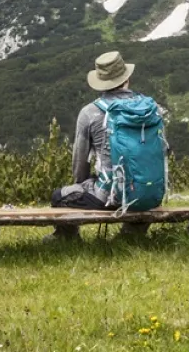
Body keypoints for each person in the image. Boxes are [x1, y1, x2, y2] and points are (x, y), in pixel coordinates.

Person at [48, 50, 168, 239]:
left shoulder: (90, 112)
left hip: (110, 196)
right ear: (126, 78)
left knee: (58, 195)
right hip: (150, 193)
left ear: (100, 83)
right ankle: (133, 232)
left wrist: (83, 185)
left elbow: (80, 164)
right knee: (137, 194)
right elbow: (161, 151)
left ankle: (66, 236)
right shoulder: (151, 109)